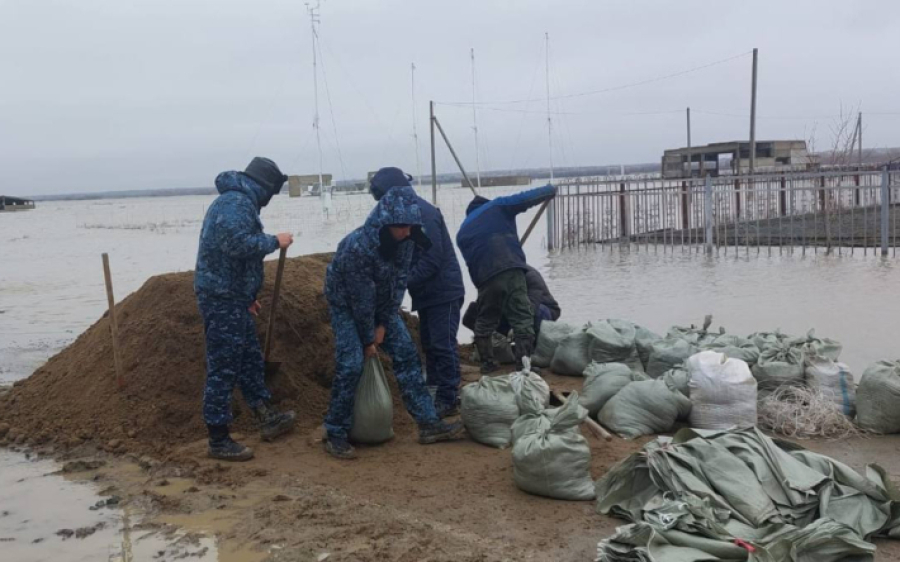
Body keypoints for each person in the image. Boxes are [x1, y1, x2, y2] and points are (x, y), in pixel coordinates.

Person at [323, 185, 465, 459]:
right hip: (346, 305)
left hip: (379, 304)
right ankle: (335, 431)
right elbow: (361, 301)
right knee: (351, 364)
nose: (406, 231)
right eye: (400, 226)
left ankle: (428, 424)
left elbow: (398, 282)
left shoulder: (407, 239)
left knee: (407, 356)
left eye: (410, 226)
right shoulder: (358, 248)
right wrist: (368, 340)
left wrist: (385, 323)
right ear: (385, 221)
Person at [194, 157, 298, 461]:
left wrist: (247, 295)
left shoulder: (239, 201)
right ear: (264, 187)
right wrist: (274, 241)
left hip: (233, 296)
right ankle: (218, 439)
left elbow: (235, 257)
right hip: (220, 297)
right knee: (223, 366)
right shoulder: (235, 203)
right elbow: (237, 244)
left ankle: (266, 416)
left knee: (250, 358)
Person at [368, 168, 465, 418]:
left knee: (442, 344)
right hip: (427, 293)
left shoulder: (423, 214)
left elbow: (432, 260)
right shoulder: (406, 214)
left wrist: (400, 283)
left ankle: (448, 397)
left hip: (444, 291)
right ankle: (434, 394)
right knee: (430, 345)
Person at [456, 184, 558, 373]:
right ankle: (523, 364)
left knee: (485, 319)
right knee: (522, 317)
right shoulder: (497, 207)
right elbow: (524, 198)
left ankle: (487, 363)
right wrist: (548, 190)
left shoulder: (462, 232)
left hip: (484, 278)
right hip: (511, 268)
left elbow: (471, 262)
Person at [462, 264, 561, 338]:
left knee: (537, 312)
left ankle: (531, 344)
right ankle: (494, 340)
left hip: (542, 311)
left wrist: (516, 328)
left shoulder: (530, 275)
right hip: (511, 315)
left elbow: (531, 307)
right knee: (474, 311)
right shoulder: (495, 279)